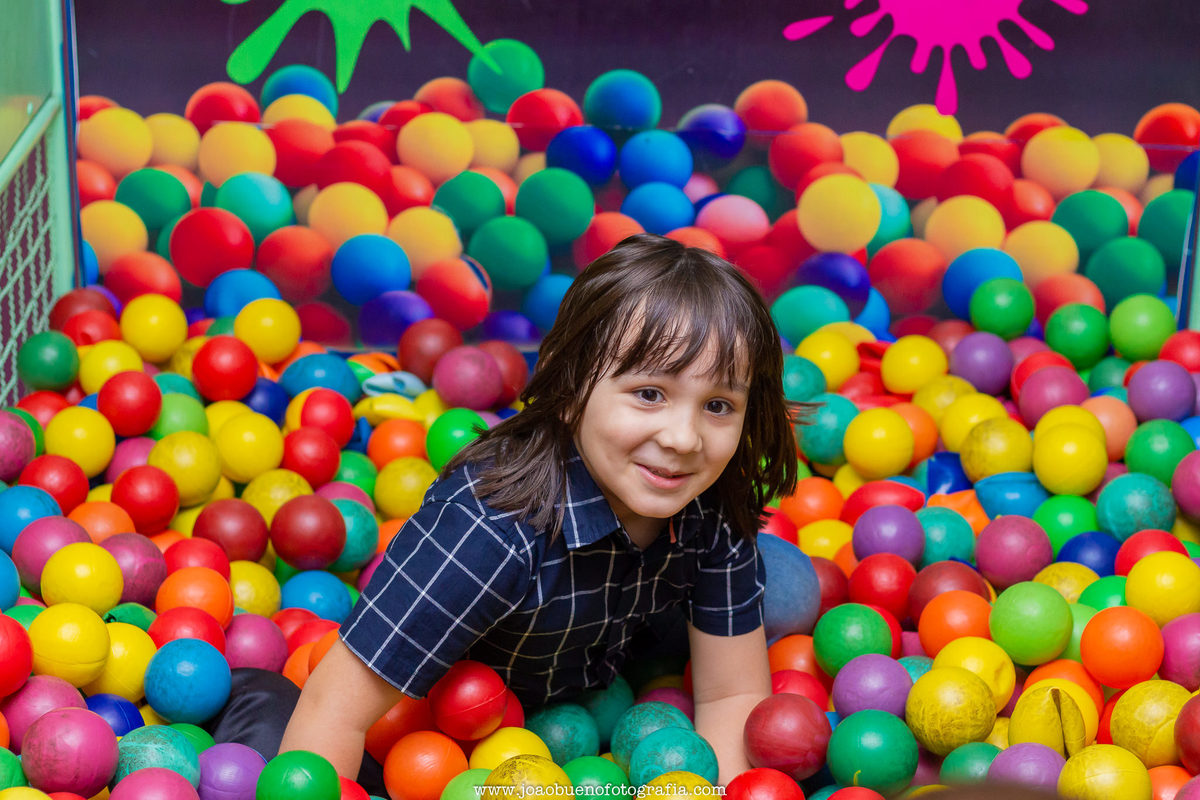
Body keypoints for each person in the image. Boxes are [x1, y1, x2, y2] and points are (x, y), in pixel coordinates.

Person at [276, 232, 802, 785]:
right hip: (468, 720)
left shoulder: (711, 498)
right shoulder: (489, 528)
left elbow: (732, 693)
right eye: (649, 393)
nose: (683, 438)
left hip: (612, 651)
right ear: (573, 384)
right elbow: (331, 706)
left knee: (790, 589)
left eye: (718, 405)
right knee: (268, 716)